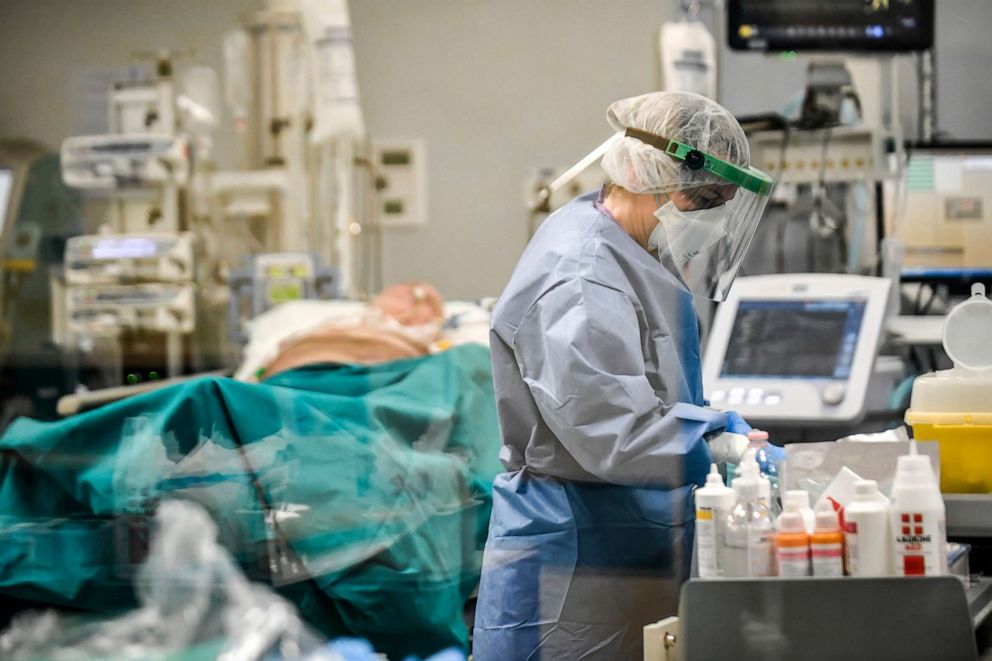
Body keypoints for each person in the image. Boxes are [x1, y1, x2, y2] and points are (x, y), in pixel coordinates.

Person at [473, 91, 774, 660]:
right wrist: (718, 443)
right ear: (647, 174)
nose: (710, 216)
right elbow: (614, 427)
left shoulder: (626, 246)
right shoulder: (581, 277)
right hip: (569, 561)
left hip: (615, 544)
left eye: (722, 202)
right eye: (705, 198)